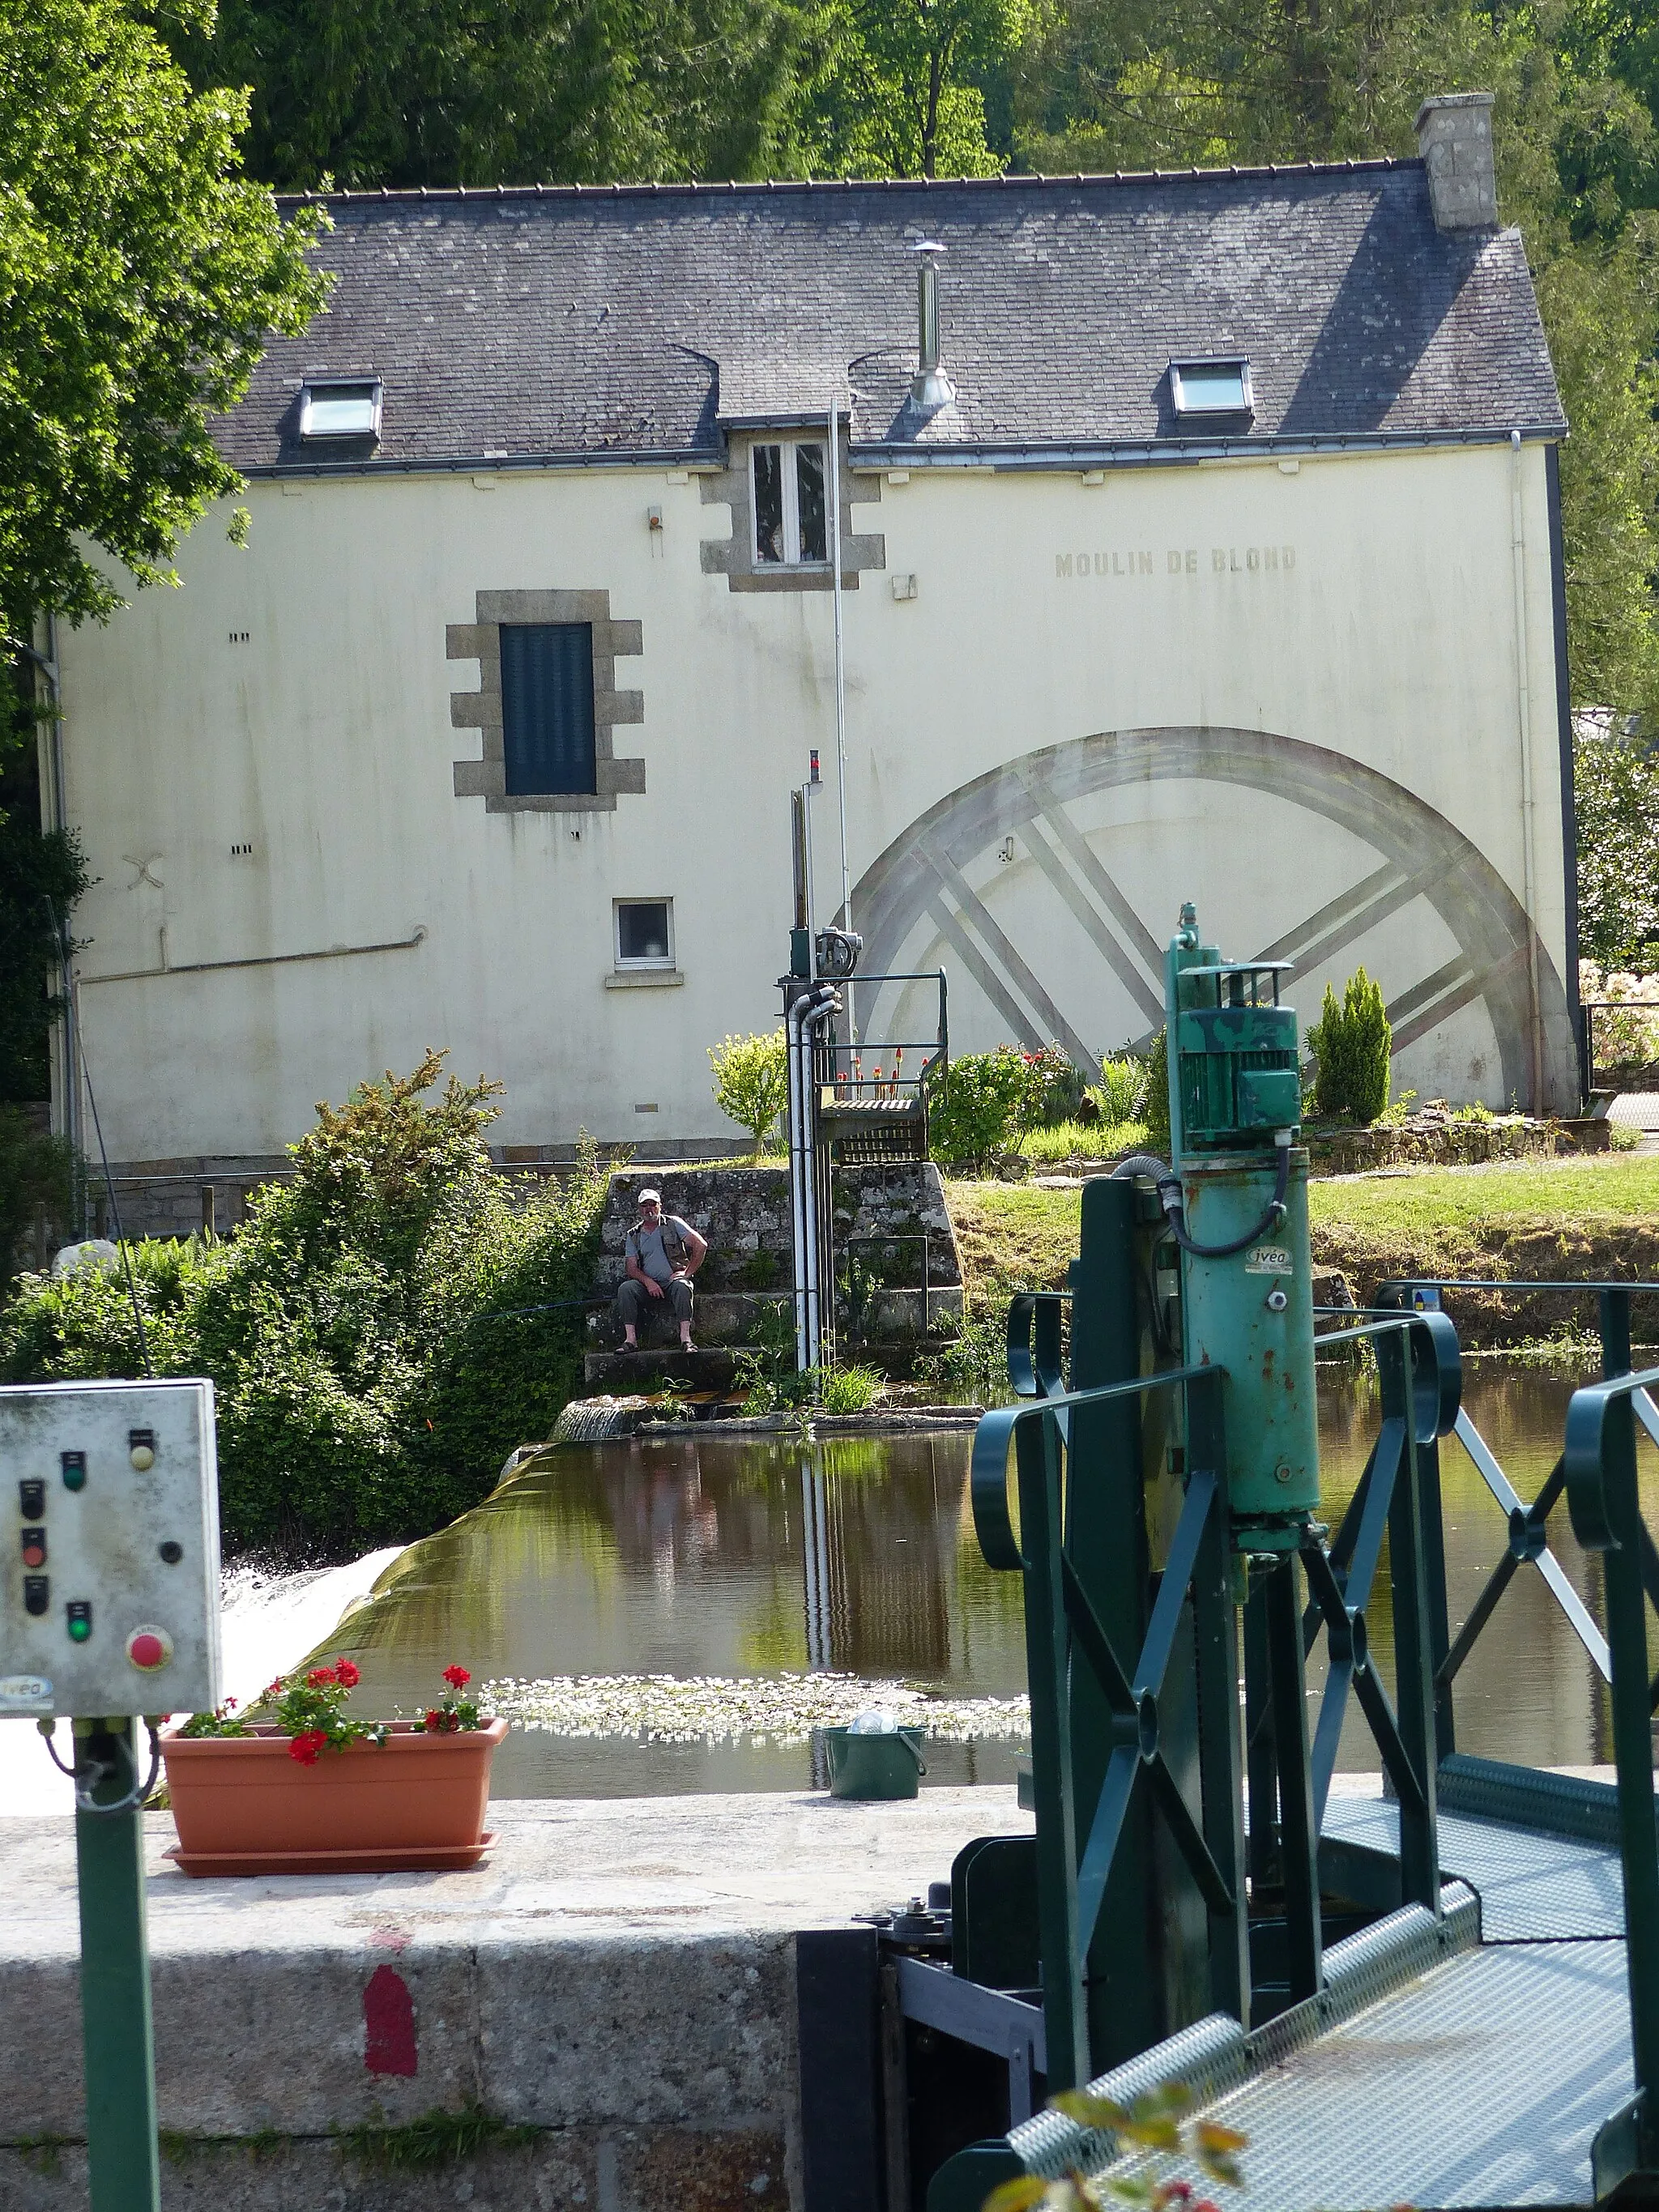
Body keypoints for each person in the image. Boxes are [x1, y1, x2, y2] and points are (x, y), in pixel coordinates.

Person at [616, 1188, 707, 1352]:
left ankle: (686, 1339)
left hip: (673, 1282)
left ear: (660, 1206)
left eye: (652, 1204)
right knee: (626, 1289)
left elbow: (700, 1245)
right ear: (639, 1208)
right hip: (648, 1286)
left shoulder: (673, 1223)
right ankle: (631, 1340)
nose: (648, 1209)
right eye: (644, 1205)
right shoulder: (633, 1235)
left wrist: (687, 1273)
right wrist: (648, 1281)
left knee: (683, 1286)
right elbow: (631, 1267)